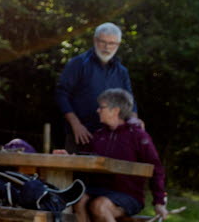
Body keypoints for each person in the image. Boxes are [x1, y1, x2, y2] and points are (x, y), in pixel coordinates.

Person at [73, 88, 168, 222]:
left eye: (102, 107)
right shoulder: (99, 134)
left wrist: (159, 200)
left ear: (115, 110)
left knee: (99, 206)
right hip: (100, 190)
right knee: (78, 200)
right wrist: (71, 157)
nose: (98, 111)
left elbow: (156, 168)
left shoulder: (138, 135)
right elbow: (89, 158)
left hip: (128, 195)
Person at [55, 22, 137, 151]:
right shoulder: (78, 64)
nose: (107, 47)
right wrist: (76, 125)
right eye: (103, 42)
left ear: (118, 44)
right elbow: (61, 94)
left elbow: (129, 101)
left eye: (112, 43)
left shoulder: (122, 72)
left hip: (111, 139)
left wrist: (134, 122)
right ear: (94, 40)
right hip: (81, 135)